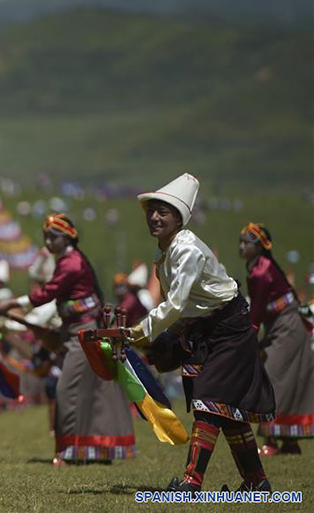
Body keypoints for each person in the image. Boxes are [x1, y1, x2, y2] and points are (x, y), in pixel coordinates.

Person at [131, 174, 275, 492]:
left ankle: (192, 481)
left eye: (163, 212)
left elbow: (176, 303)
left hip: (230, 329)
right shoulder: (164, 253)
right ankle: (257, 481)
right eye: (151, 210)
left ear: (179, 219)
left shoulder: (187, 250)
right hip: (205, 330)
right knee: (226, 410)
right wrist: (163, 340)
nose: (154, 217)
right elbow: (185, 309)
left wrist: (138, 333)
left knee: (208, 399)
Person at [0, 213, 135, 465]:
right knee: (87, 392)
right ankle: (92, 450)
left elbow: (48, 293)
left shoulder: (71, 263)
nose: (47, 243)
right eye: (45, 237)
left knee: (66, 390)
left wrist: (12, 304)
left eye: (52, 237)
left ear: (67, 237)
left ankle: (70, 451)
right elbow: (51, 302)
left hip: (83, 333)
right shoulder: (67, 261)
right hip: (75, 332)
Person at [239, 222, 314, 455]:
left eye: (247, 243)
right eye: (240, 242)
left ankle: (272, 439)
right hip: (282, 327)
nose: (241, 247)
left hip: (288, 327)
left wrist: (248, 336)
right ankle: (290, 443)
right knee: (286, 379)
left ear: (260, 247)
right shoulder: (257, 267)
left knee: (273, 376)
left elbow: (258, 310)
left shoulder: (262, 269)